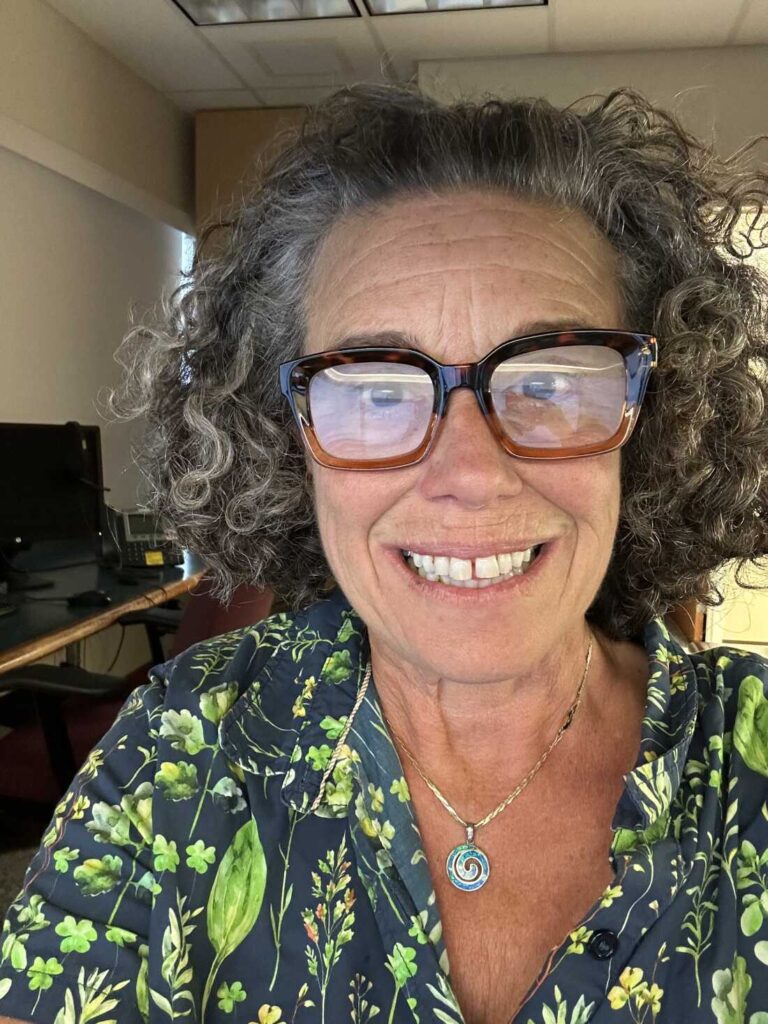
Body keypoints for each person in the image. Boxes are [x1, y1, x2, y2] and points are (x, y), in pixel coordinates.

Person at [1, 83, 767, 1024]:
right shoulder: (183, 745)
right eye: (374, 391)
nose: (470, 475)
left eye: (550, 382)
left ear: (649, 422)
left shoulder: (752, 757)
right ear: (288, 440)